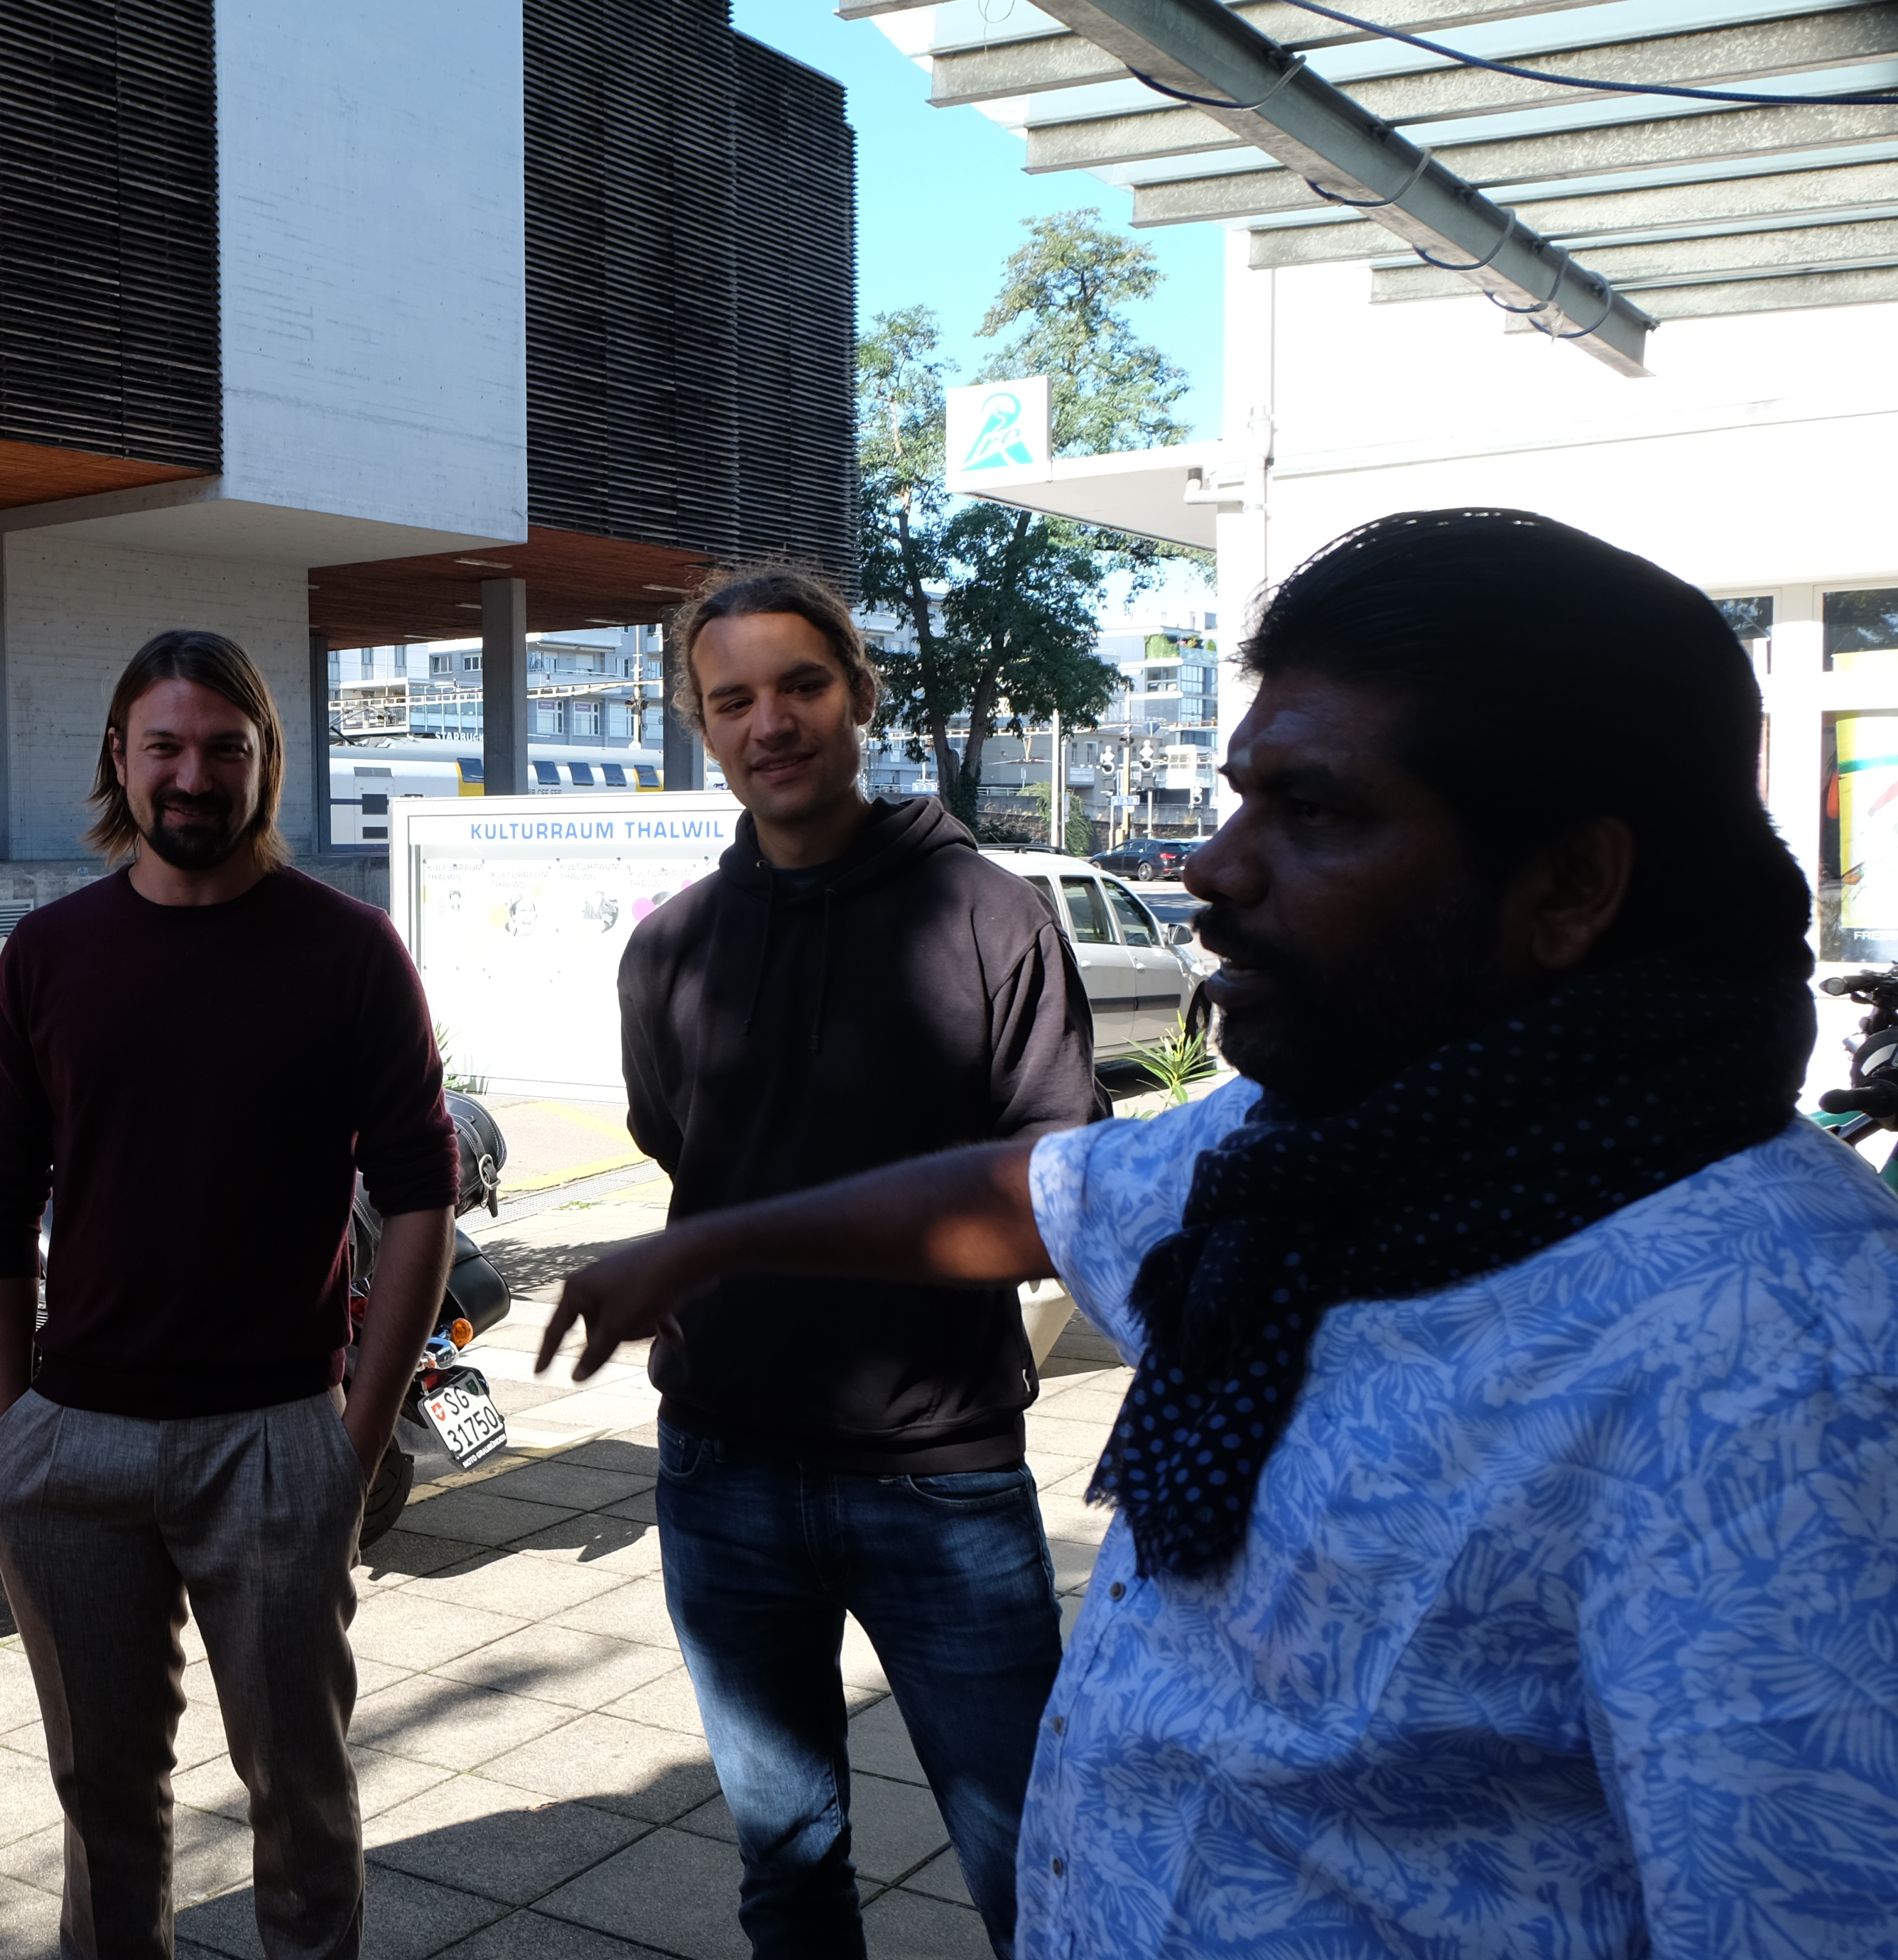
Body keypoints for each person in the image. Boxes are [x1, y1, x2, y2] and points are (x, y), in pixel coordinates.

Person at [540, 510, 1898, 1957]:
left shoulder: (1789, 1366)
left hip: (929, 1470)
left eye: (1314, 813)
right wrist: (708, 1247)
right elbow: (1039, 1189)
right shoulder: (1308, 1140)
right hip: (734, 1457)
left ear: (1569, 885)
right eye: (1243, 796)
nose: (1211, 868)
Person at [617, 565, 1099, 1956]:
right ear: (702, 725)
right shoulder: (670, 950)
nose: (770, 722)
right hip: (724, 1474)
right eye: (732, 700)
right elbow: (680, 1142)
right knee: (787, 1875)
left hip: (939, 1479)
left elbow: (1059, 1190)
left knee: (1044, 1874)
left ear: (860, 694)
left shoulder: (991, 918)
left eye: (802, 685)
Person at [0, 629, 457, 1960]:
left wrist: (354, 1441)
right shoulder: (49, 956)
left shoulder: (348, 951)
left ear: (265, 762)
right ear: (118, 759)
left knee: (303, 1804)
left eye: (224, 748)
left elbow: (423, 1193)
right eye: (165, 746)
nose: (193, 775)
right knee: (103, 1805)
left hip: (275, 1443)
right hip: (73, 1447)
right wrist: (9, 1435)